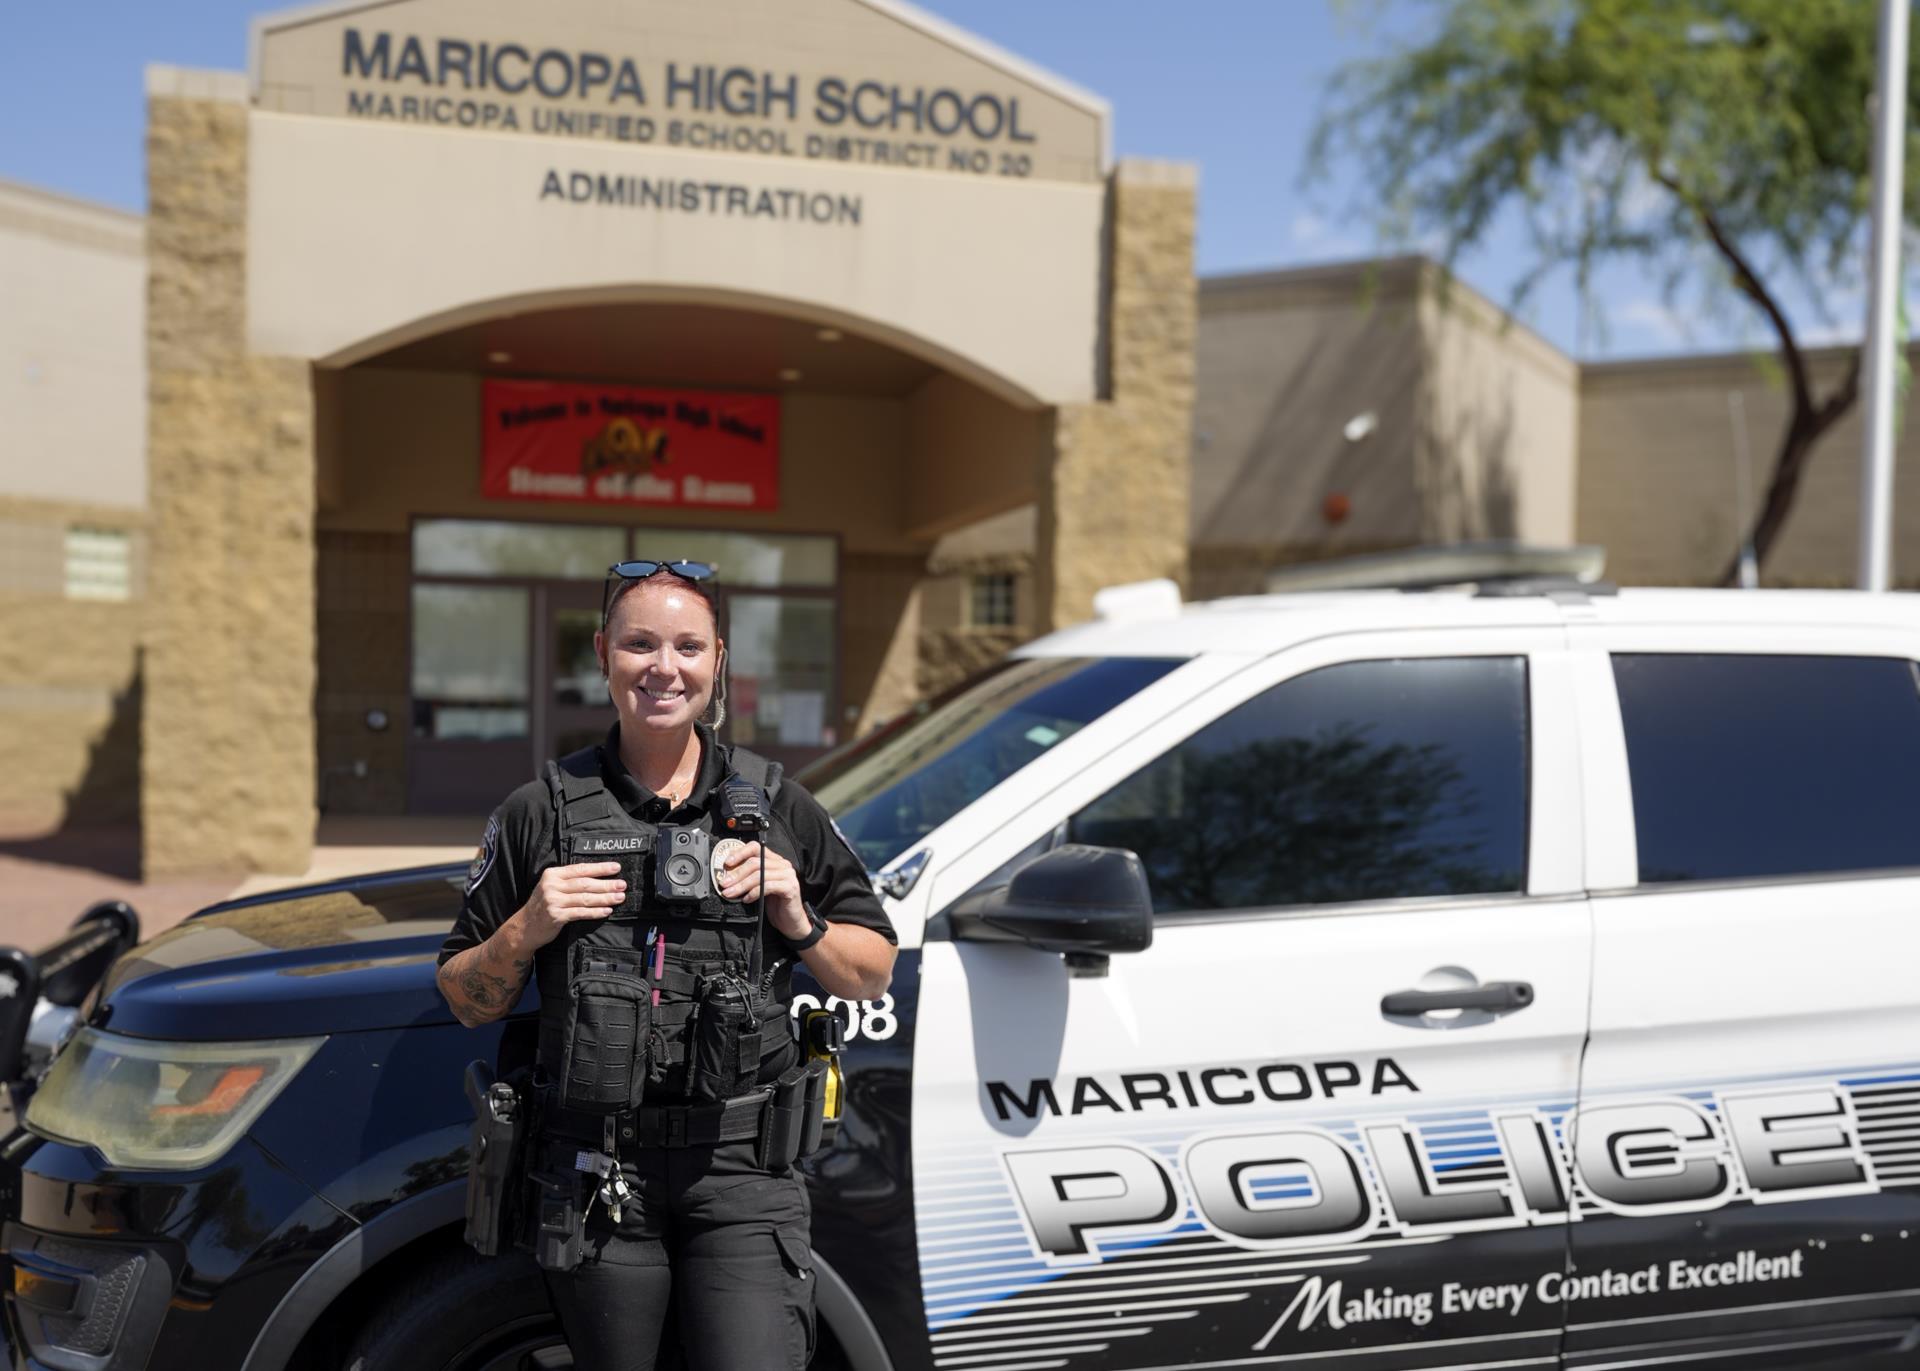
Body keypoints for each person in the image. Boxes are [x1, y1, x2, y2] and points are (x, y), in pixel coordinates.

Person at [436, 558, 897, 1371]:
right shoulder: (538, 811)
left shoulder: (777, 804)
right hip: (596, 1170)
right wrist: (528, 926)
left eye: (688, 646)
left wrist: (797, 914)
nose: (664, 667)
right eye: (640, 643)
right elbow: (466, 996)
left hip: (741, 1171)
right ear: (603, 653)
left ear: (719, 659)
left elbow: (870, 972)